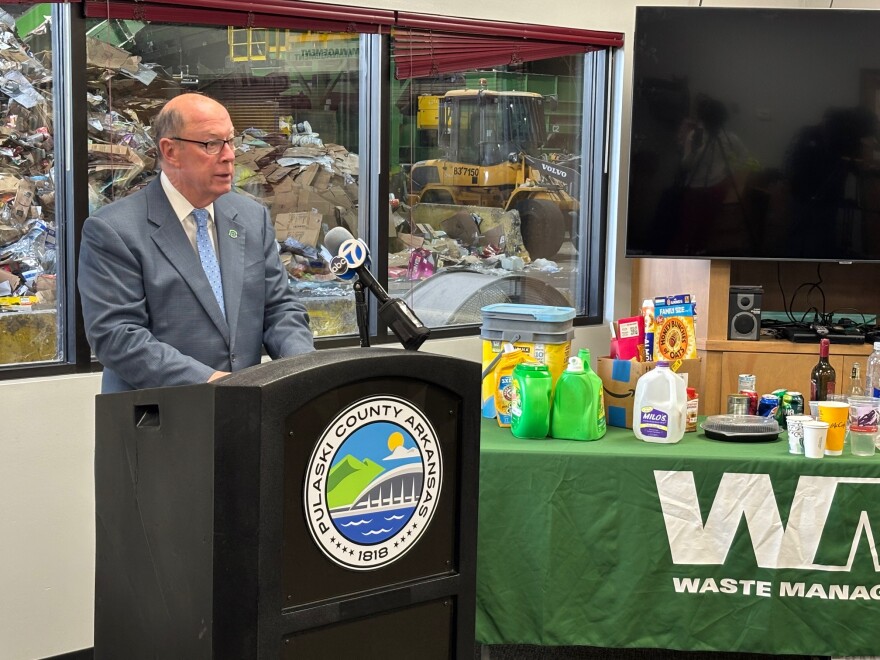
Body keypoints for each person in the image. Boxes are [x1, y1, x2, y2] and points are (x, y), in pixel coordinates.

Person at [78, 93, 315, 393]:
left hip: (245, 419)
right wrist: (213, 384)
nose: (229, 155)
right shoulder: (114, 230)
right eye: (211, 144)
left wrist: (303, 370)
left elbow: (279, 309)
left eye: (231, 141)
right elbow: (117, 336)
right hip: (160, 423)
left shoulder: (251, 217)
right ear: (171, 150)